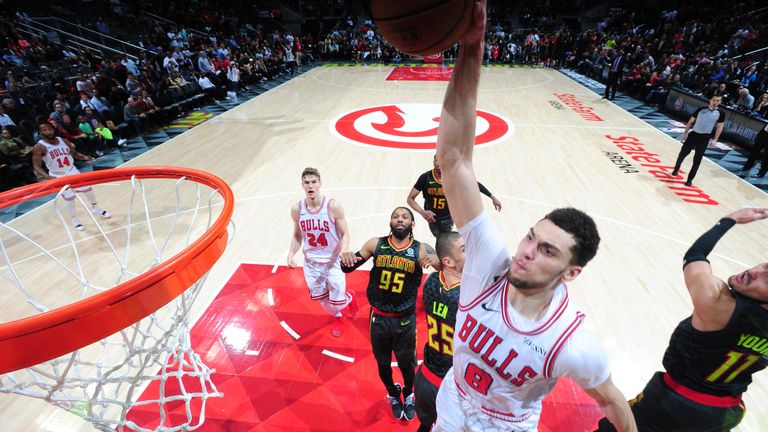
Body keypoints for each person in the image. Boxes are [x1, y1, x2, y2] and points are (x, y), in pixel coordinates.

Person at [432, 2, 636, 431]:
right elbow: (453, 159)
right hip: (452, 406)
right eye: (531, 237)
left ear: (571, 273)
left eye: (547, 251)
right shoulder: (489, 263)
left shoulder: (573, 344)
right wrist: (472, 46)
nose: (526, 252)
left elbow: (613, 402)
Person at [596, 208, 768, 432]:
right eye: (765, 266)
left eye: (767, 280)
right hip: (726, 411)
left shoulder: (718, 301)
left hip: (676, 402)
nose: (756, 271)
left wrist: (729, 220)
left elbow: (695, 256)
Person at [341, 207, 438, 421]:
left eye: (405, 217)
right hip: (378, 318)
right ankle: (394, 394)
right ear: (390, 222)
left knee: (407, 365)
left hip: (404, 320)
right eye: (396, 217)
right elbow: (347, 267)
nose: (400, 220)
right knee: (383, 364)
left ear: (413, 224)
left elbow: (445, 265)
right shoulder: (376, 244)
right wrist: (346, 258)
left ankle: (409, 393)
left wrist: (436, 261)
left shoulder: (421, 249)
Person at [287, 167, 357, 337]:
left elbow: (345, 233)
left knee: (338, 301)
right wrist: (291, 254)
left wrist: (344, 250)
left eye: (313, 182)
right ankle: (338, 317)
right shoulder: (297, 209)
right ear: (302, 184)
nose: (310, 186)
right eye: (307, 182)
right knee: (324, 301)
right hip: (311, 263)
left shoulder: (332, 206)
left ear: (320, 183)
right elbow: (297, 235)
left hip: (333, 262)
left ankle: (349, 298)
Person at [413, 231, 464, 432]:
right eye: (465, 249)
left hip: (425, 377)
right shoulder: (468, 295)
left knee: (425, 426)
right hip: (451, 387)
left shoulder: (431, 282)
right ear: (449, 261)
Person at [32, 123, 111, 231]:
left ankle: (96, 208)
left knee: (88, 190)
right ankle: (75, 220)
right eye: (45, 130)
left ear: (54, 129)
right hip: (58, 175)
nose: (48, 132)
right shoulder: (39, 147)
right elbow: (36, 166)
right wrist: (48, 177)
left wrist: (84, 157)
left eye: (50, 129)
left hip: (72, 170)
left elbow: (74, 154)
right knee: (70, 199)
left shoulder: (63, 141)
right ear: (40, 132)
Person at [408, 154, 502, 237]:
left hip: (447, 218)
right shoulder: (425, 177)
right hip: (431, 218)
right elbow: (410, 199)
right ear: (433, 162)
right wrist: (422, 212)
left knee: (443, 241)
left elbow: (474, 184)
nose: (438, 163)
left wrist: (492, 197)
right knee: (438, 237)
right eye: (436, 160)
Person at [671, 92, 725, 187]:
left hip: (704, 138)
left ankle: (689, 180)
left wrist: (715, 139)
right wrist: (684, 133)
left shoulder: (721, 113)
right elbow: (691, 121)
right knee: (682, 154)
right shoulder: (701, 109)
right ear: (710, 100)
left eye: (718, 100)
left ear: (720, 102)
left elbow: (720, 127)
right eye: (714, 100)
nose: (715, 102)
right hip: (693, 135)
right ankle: (676, 168)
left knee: (697, 160)